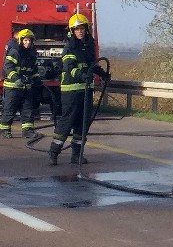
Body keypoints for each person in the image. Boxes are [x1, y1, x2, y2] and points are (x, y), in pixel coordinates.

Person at [48, 13, 109, 166]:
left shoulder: (88, 46)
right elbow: (69, 68)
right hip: (71, 91)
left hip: (86, 91)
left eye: (82, 28)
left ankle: (76, 155)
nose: (80, 31)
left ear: (86, 29)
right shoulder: (70, 47)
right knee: (67, 121)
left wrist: (102, 74)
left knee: (82, 124)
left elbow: (92, 65)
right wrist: (82, 75)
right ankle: (53, 153)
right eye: (77, 29)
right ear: (72, 31)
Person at [1, 28, 42, 139]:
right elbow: (7, 67)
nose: (27, 43)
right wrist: (16, 78)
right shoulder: (15, 52)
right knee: (9, 109)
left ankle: (27, 131)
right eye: (25, 40)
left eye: (29, 40)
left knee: (27, 109)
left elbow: (33, 70)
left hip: (26, 87)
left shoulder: (31, 55)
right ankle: (5, 130)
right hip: (13, 87)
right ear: (20, 41)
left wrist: (37, 79)